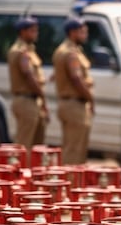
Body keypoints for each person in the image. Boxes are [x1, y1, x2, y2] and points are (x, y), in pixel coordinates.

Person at [53, 18, 94, 165]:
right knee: (74, 151)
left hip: (67, 103)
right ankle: (71, 184)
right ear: (72, 32)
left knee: (72, 148)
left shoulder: (64, 50)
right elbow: (76, 78)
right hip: (74, 104)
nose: (85, 35)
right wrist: (90, 98)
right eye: (82, 32)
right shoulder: (70, 53)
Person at [7, 16, 48, 148]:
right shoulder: (21, 51)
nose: (36, 33)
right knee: (24, 145)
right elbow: (29, 76)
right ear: (22, 32)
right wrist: (42, 97)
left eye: (36, 30)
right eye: (32, 31)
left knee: (35, 145)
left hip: (31, 100)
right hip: (26, 100)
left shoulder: (29, 50)